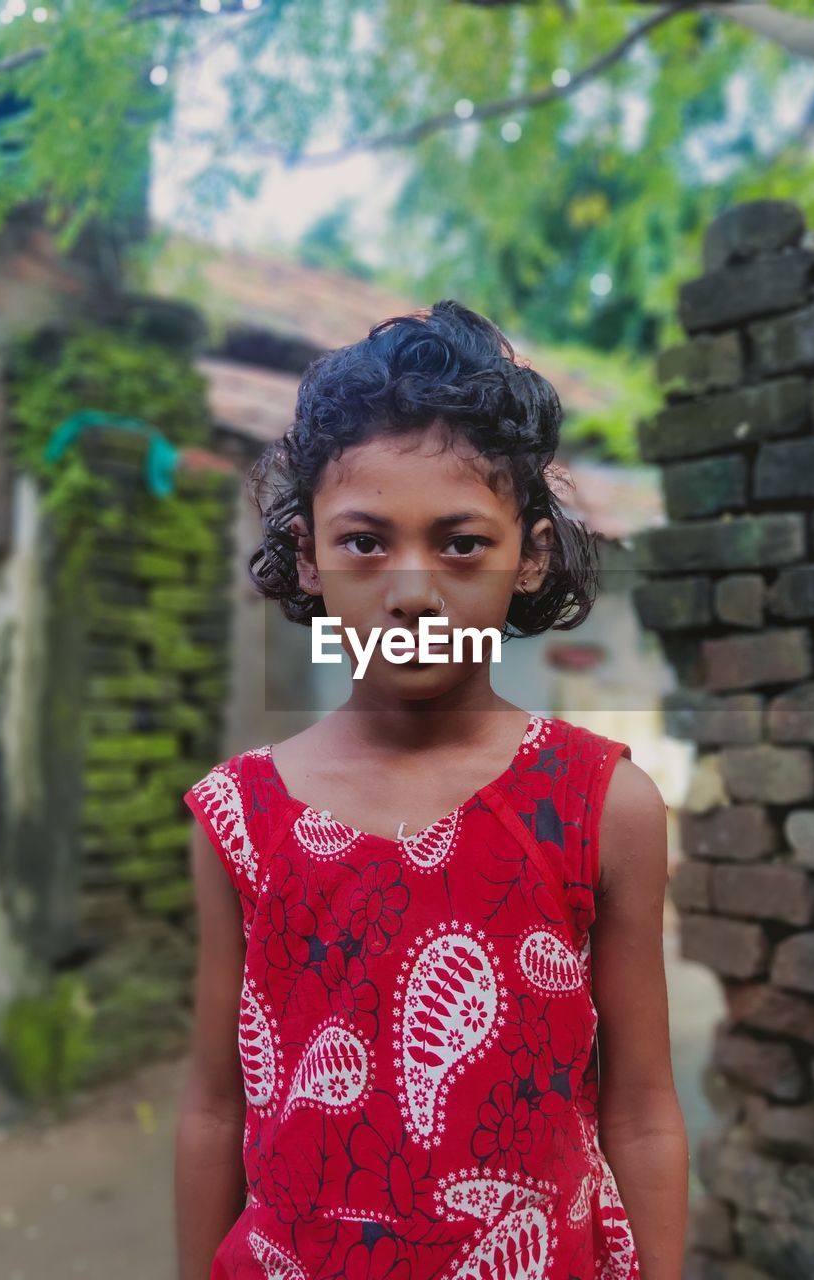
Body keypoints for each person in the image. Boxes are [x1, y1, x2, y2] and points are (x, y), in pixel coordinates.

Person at [175, 300, 688, 1280]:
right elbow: (211, 1104)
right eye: (366, 540)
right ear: (307, 557)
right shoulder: (239, 818)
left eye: (460, 542)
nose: (412, 587)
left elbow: (642, 1107)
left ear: (530, 553)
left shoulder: (600, 806)